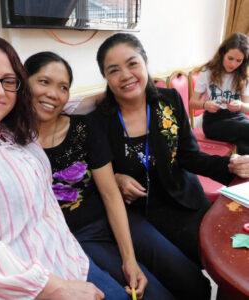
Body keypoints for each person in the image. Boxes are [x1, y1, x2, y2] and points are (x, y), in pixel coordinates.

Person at [0, 34, 142, 300]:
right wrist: (50, 287)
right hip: (27, 282)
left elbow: (67, 107)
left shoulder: (14, 133)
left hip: (68, 254)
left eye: (8, 81)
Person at [24, 51, 213, 300]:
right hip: (75, 236)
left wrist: (129, 260)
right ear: (23, 82)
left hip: (117, 217)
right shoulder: (12, 143)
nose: (53, 93)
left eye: (63, 87)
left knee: (192, 281)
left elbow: (110, 194)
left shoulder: (82, 127)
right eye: (44, 82)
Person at [90, 32, 249, 270]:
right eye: (113, 70)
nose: (125, 75)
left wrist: (230, 166)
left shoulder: (169, 100)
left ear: (145, 63)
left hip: (184, 199)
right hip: (142, 213)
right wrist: (114, 178)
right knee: (189, 280)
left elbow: (189, 156)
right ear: (106, 77)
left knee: (224, 255)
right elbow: (90, 173)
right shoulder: (99, 120)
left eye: (132, 64)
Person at [189, 32, 249, 154]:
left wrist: (240, 105)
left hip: (236, 117)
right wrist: (205, 105)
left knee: (245, 140)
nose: (233, 64)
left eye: (239, 60)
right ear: (222, 54)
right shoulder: (207, 71)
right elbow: (192, 103)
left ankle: (243, 172)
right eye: (230, 58)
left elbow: (247, 108)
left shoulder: (243, 76)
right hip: (214, 121)